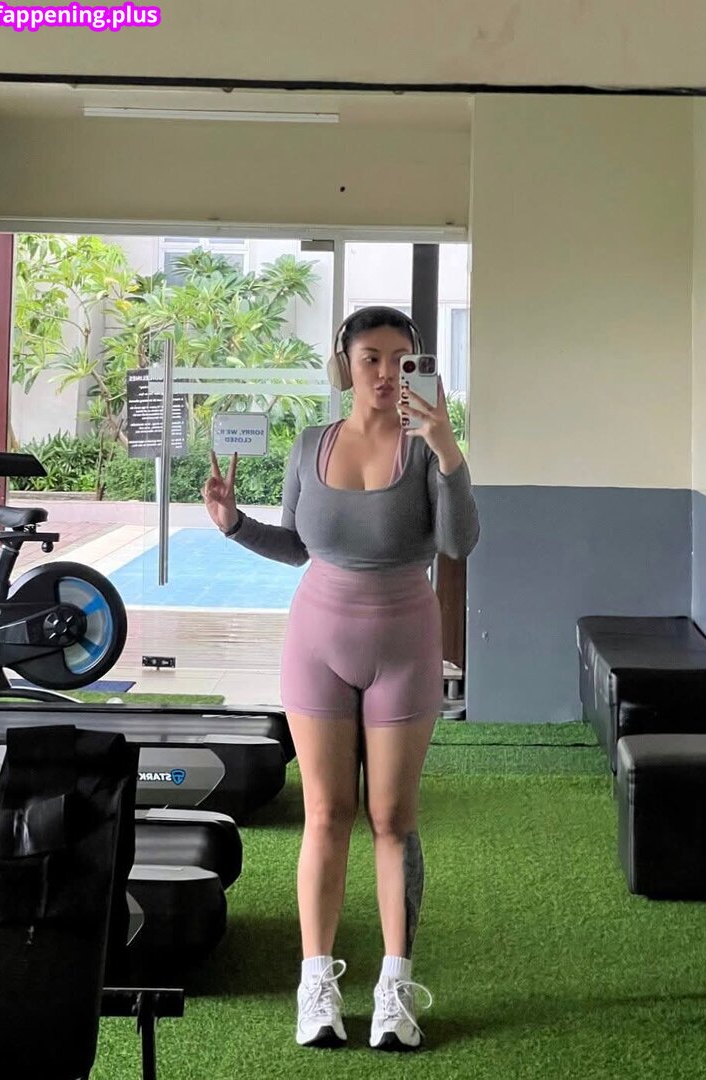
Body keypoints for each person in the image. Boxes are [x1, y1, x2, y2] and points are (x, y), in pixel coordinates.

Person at [201, 306, 480, 1052]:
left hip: (405, 645)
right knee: (325, 813)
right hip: (317, 642)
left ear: (418, 366)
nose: (386, 373)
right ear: (344, 365)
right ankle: (316, 985)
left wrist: (447, 448)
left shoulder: (427, 448)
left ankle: (395, 986)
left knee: (391, 817)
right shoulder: (310, 445)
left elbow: (459, 542)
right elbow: (298, 545)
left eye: (400, 358)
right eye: (370, 358)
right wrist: (233, 525)